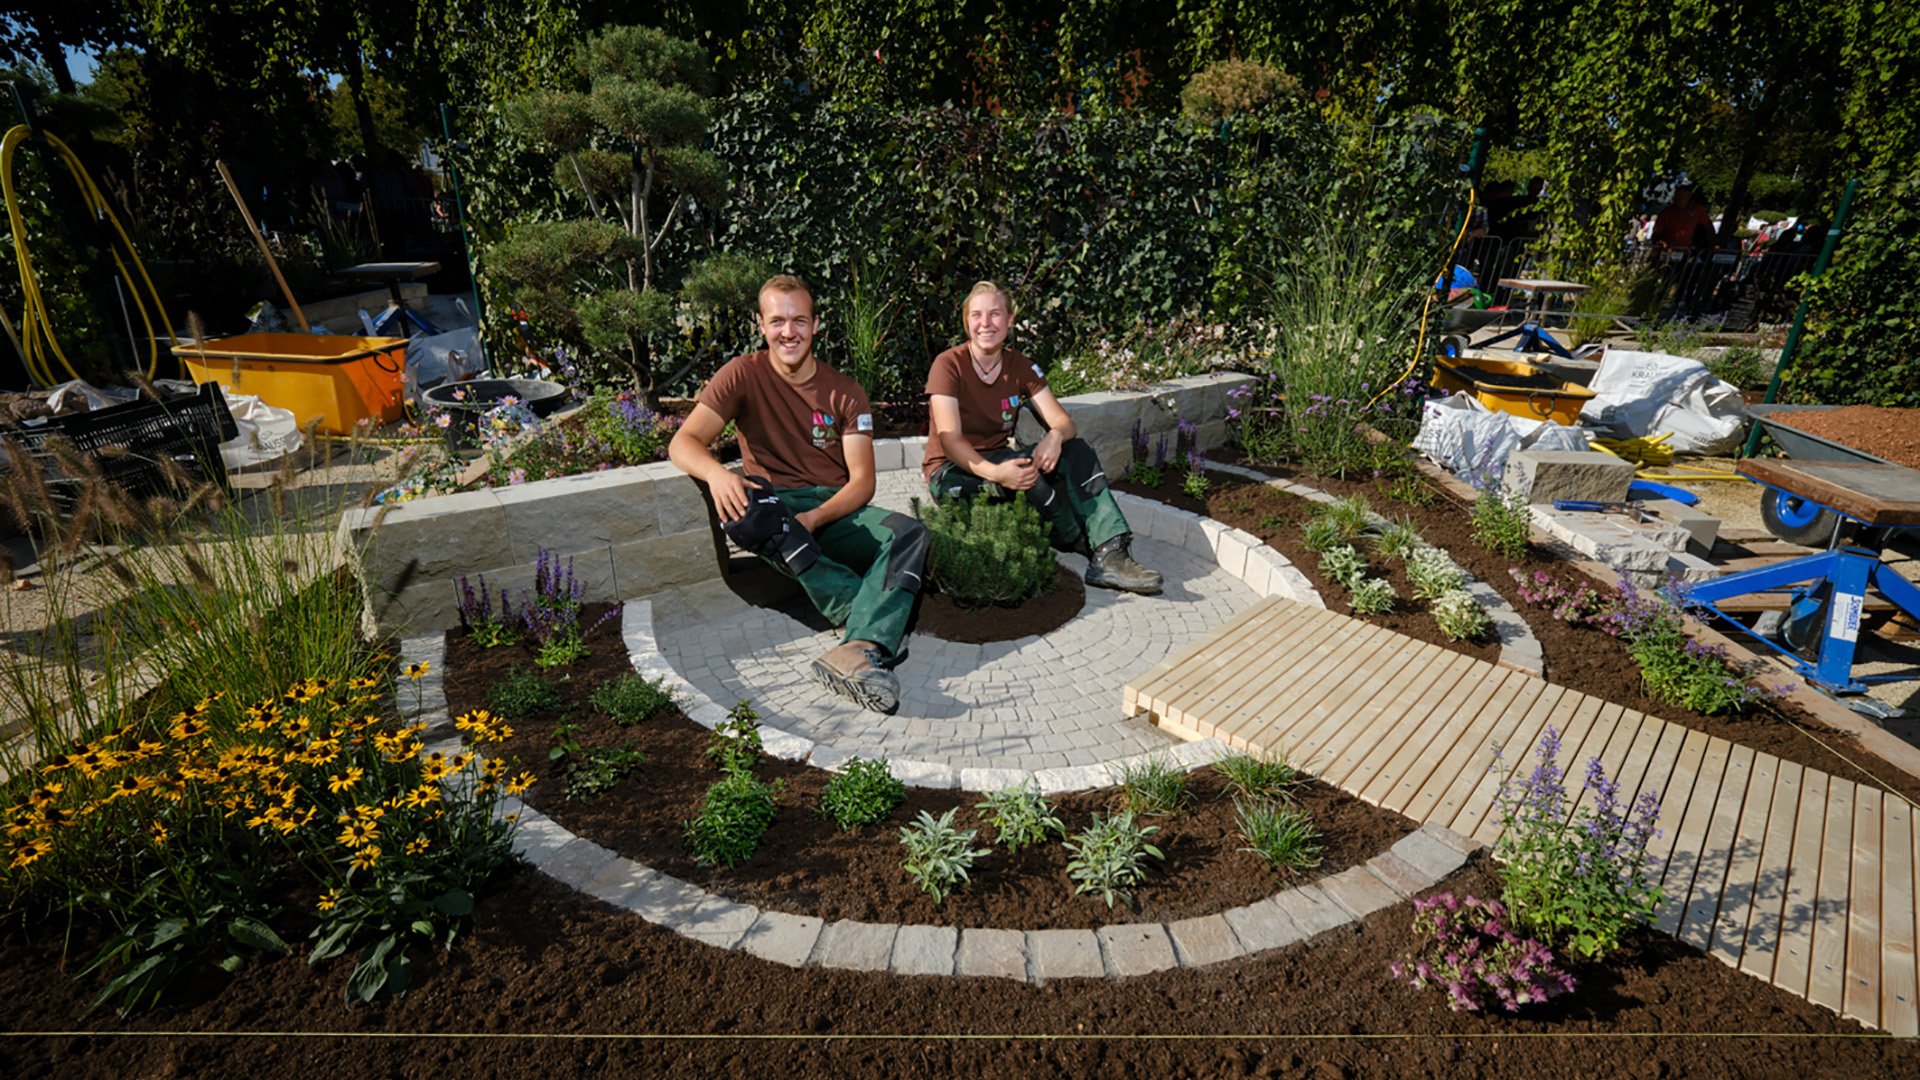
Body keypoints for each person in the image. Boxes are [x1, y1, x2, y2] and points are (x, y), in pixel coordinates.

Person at [669, 275, 928, 714]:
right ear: (761, 324)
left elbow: (862, 482)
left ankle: (854, 648)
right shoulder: (741, 374)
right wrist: (717, 474)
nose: (788, 331)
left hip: (831, 510)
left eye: (799, 320)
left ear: (816, 325)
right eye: (777, 321)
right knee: (744, 508)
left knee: (909, 534)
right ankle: (863, 610)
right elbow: (684, 442)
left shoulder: (845, 391)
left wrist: (816, 519)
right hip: (775, 509)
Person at [923, 281, 1162, 594]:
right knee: (1024, 472)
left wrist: (1054, 436)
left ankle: (1110, 552)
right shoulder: (948, 364)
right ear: (967, 322)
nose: (985, 323)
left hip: (1001, 460)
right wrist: (997, 473)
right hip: (951, 474)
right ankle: (1077, 541)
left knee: (1074, 450)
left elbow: (1064, 422)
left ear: (1009, 320)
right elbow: (951, 440)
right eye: (977, 315)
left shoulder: (1020, 366)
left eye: (995, 314)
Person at [1651, 184, 1714, 250]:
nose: (1677, 198)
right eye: (1676, 195)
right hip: (1666, 251)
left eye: (1681, 196)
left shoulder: (1697, 210)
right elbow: (1656, 233)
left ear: (1689, 197)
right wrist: (1661, 242)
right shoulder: (1666, 212)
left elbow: (1709, 228)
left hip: (1688, 251)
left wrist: (1713, 245)